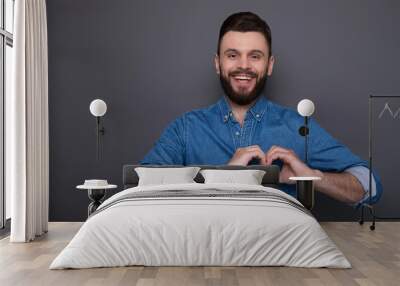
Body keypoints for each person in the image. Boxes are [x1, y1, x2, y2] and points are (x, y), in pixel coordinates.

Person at [141, 11, 382, 205]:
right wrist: (225, 175)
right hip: (203, 258)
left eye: (255, 56)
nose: (243, 66)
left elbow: (369, 186)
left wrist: (309, 177)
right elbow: (140, 190)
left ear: (269, 65)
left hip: (284, 261)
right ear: (218, 63)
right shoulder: (186, 129)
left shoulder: (298, 127)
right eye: (233, 55)